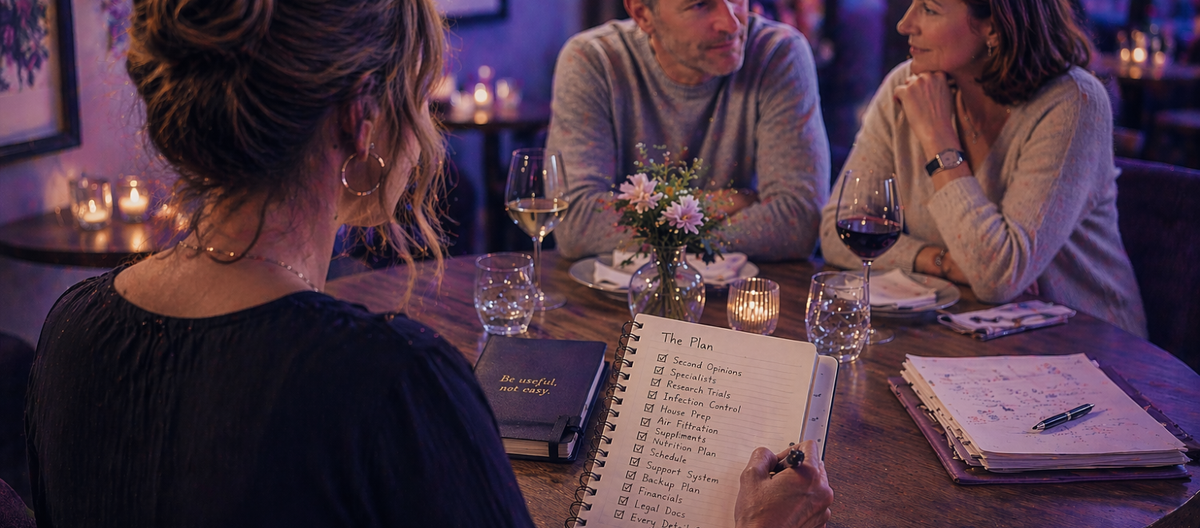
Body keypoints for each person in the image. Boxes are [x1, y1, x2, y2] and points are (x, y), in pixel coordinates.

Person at [25, 0, 834, 525]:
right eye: (422, 95)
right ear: (362, 117)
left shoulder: (71, 330)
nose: (428, 127)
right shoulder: (395, 386)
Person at [819, 0, 1147, 336]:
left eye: (930, 10)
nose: (905, 24)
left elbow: (997, 278)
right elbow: (834, 232)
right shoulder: (906, 85)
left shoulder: (1073, 103)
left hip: (1086, 347)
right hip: (959, 340)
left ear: (993, 25)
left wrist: (939, 140)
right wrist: (939, 260)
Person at [546, 0, 830, 262]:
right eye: (700, 5)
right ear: (643, 14)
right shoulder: (595, 60)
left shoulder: (777, 53)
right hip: (620, 300)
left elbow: (799, 221)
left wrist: (653, 227)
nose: (731, 24)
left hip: (743, 299)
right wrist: (724, 204)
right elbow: (575, 223)